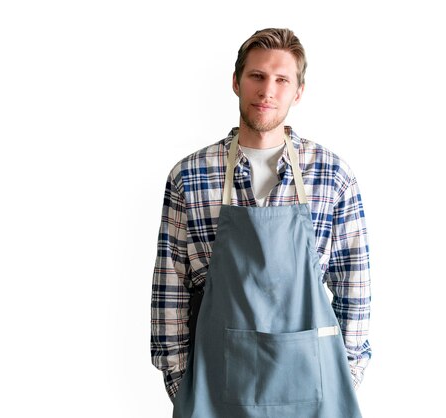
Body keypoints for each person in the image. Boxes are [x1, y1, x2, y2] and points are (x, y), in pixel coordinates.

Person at [151, 28, 372, 418]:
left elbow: (354, 285)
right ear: (236, 82)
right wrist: (181, 380)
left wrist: (343, 372)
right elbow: (171, 286)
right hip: (215, 385)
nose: (267, 90)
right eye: (257, 76)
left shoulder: (332, 175)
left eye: (282, 79)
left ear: (298, 91)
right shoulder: (191, 175)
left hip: (314, 387)